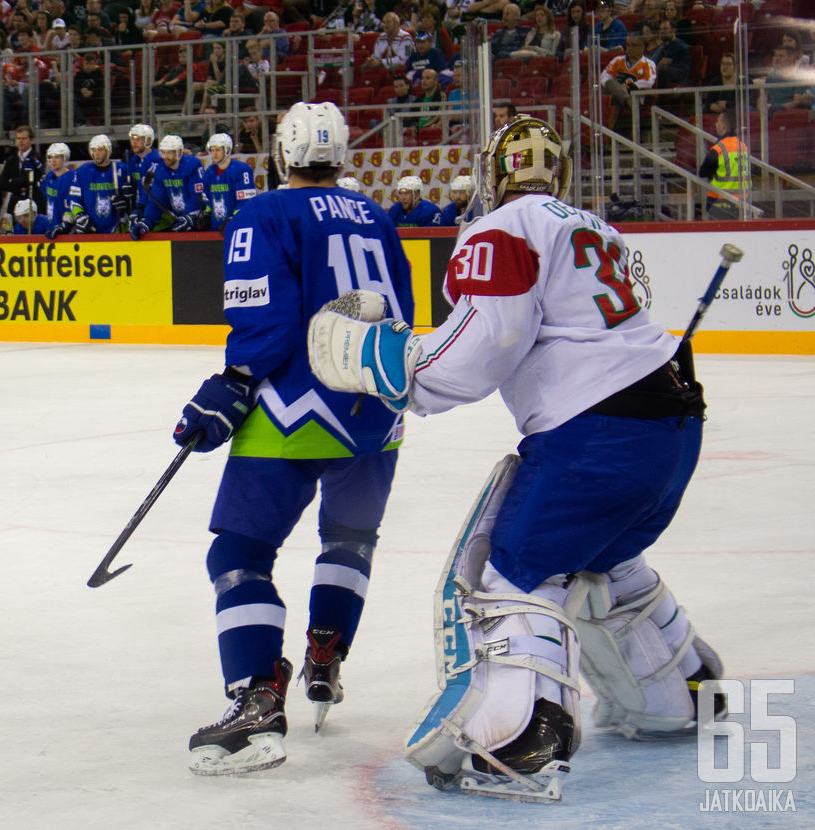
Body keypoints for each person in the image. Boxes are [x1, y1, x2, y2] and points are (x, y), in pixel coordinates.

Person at [307, 114, 723, 802]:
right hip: (673, 430)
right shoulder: (591, 226)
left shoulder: (503, 228)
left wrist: (381, 357)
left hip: (598, 434)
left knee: (515, 578)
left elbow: (481, 351)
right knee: (604, 564)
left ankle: (515, 739)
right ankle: (681, 692)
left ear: (496, 173)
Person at [178, 101, 414, 776]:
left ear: (282, 154)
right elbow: (400, 312)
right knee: (349, 541)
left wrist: (229, 385)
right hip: (377, 410)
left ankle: (256, 698)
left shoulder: (261, 214)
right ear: (342, 155)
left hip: (293, 410)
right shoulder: (378, 218)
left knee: (241, 556)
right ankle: (325, 657)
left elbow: (267, 328)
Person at [65, 134, 130, 234]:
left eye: (100, 150)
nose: (97, 153)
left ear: (108, 150)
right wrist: (80, 216)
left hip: (116, 228)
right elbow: (74, 198)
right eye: (94, 150)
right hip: (91, 229)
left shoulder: (121, 169)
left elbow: (130, 198)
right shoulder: (82, 171)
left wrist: (125, 201)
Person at [698, 107, 749, 220]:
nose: (716, 124)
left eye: (718, 122)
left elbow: (703, 172)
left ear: (724, 125)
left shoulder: (718, 149)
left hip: (719, 202)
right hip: (742, 202)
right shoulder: (743, 147)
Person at [201, 133, 256, 233]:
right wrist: (207, 215)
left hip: (237, 229)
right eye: (212, 150)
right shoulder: (209, 172)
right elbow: (206, 199)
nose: (214, 154)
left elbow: (246, 203)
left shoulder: (241, 170)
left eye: (218, 150)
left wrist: (233, 220)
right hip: (215, 229)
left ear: (227, 150)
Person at [599, 34, 656, 126]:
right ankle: (627, 101)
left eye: (633, 45)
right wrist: (619, 88)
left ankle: (607, 136)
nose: (629, 48)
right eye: (628, 45)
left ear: (642, 47)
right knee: (610, 83)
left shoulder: (648, 63)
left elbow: (648, 81)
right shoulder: (617, 60)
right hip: (624, 99)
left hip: (634, 96)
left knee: (615, 99)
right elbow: (604, 77)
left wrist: (628, 87)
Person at [0, 124, 46, 217]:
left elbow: (34, 179)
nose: (20, 141)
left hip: (34, 201)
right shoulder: (11, 159)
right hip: (15, 202)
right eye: (18, 138)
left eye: (24, 138)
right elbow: (2, 183)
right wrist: (20, 187)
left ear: (31, 140)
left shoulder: (37, 158)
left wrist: (13, 181)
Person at [126, 122, 162, 222]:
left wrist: (140, 208)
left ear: (148, 141)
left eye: (138, 139)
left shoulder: (156, 160)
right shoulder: (133, 160)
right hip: (140, 209)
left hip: (156, 212)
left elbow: (153, 190)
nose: (134, 142)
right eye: (132, 139)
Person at [40, 142, 76, 238]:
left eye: (57, 157)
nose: (53, 160)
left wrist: (65, 224)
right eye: (51, 157)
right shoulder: (49, 177)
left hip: (67, 229)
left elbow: (74, 204)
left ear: (65, 158)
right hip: (52, 226)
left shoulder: (73, 178)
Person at [647, 18, 688, 87]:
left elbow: (662, 63)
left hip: (679, 74)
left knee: (660, 70)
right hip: (668, 73)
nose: (662, 31)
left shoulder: (676, 44)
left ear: (674, 30)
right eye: (660, 29)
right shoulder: (663, 46)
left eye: (665, 29)